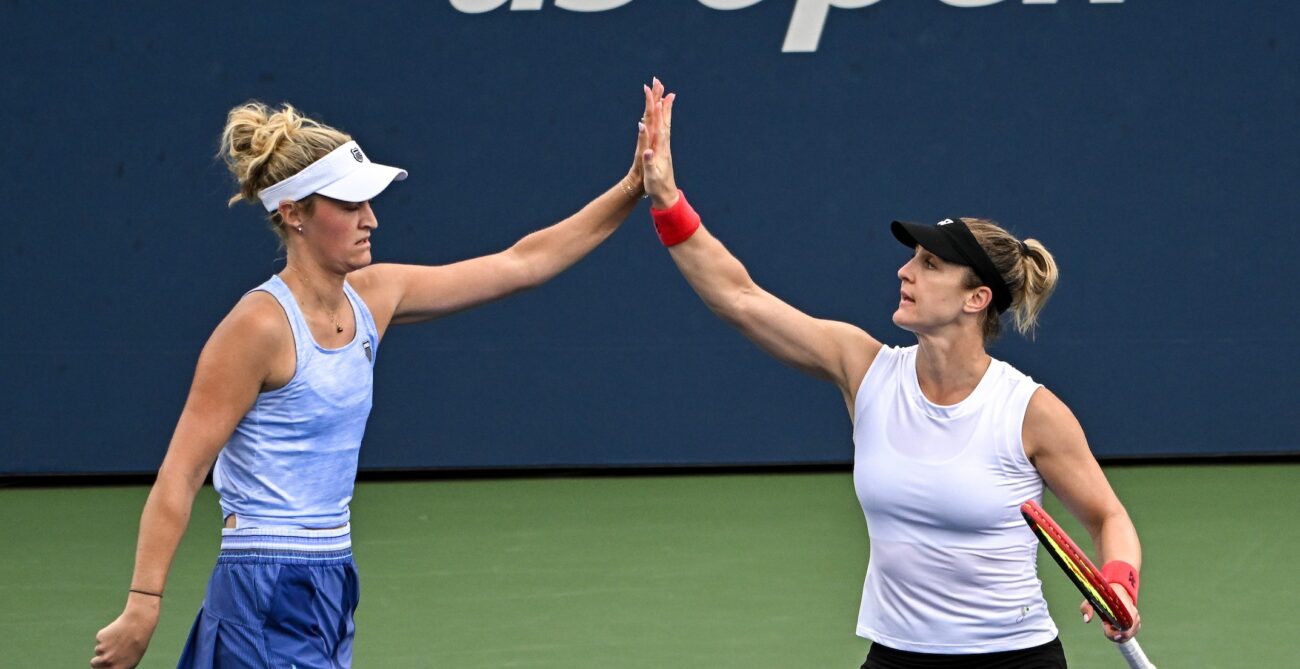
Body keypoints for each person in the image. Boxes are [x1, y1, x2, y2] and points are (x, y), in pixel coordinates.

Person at [90, 89, 654, 669]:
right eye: (350, 204)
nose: (371, 219)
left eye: (370, 202)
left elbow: (523, 262)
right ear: (294, 213)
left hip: (333, 574)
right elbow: (179, 476)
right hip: (266, 584)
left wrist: (634, 184)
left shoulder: (375, 296)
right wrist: (143, 603)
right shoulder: (255, 328)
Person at [637, 82, 1143, 667]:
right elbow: (740, 298)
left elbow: (1109, 517)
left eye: (930, 265)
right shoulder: (863, 368)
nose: (905, 271)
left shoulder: (1030, 413)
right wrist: (666, 198)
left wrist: (1120, 579)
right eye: (912, 258)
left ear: (977, 297)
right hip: (896, 656)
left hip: (1014, 659)